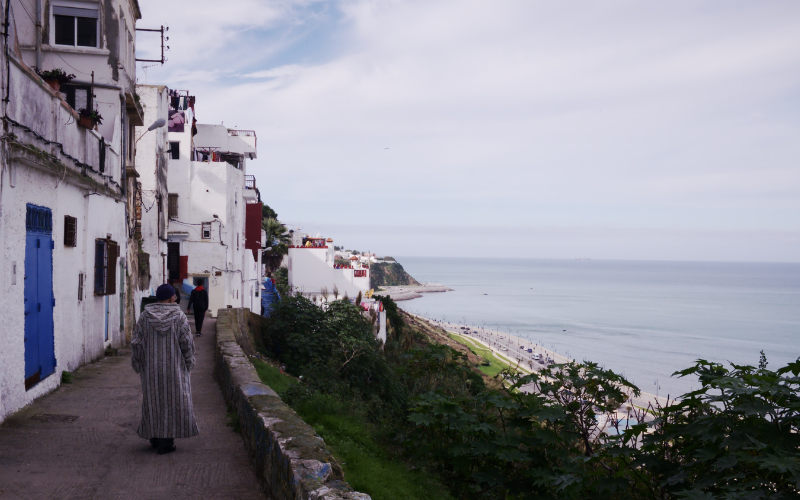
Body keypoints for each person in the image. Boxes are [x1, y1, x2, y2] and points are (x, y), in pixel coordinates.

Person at [131, 284, 199, 455]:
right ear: (170, 298)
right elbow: (187, 343)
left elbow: (137, 342)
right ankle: (166, 443)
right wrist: (189, 362)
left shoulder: (145, 317)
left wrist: (137, 363)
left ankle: (154, 437)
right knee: (173, 402)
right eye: (174, 296)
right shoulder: (179, 316)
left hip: (151, 368)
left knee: (153, 402)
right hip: (174, 368)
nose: (176, 298)